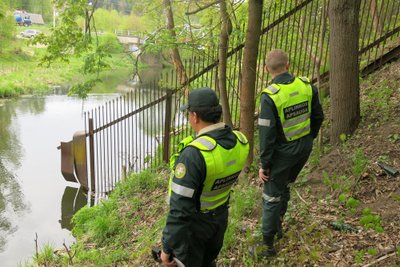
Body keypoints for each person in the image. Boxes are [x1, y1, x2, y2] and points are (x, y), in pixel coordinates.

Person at [161, 87, 250, 267]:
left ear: (194, 116)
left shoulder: (194, 154)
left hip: (195, 228)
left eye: (188, 115)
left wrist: (167, 247)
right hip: (219, 221)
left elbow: (180, 209)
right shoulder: (240, 141)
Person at [258, 49, 324, 256]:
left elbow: (266, 135)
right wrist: (308, 139)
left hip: (282, 154)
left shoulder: (270, 96)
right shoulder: (307, 86)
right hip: (304, 148)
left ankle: (267, 245)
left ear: (266, 69)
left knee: (271, 195)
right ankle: (278, 226)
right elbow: (318, 117)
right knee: (284, 185)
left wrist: (264, 164)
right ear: (287, 65)